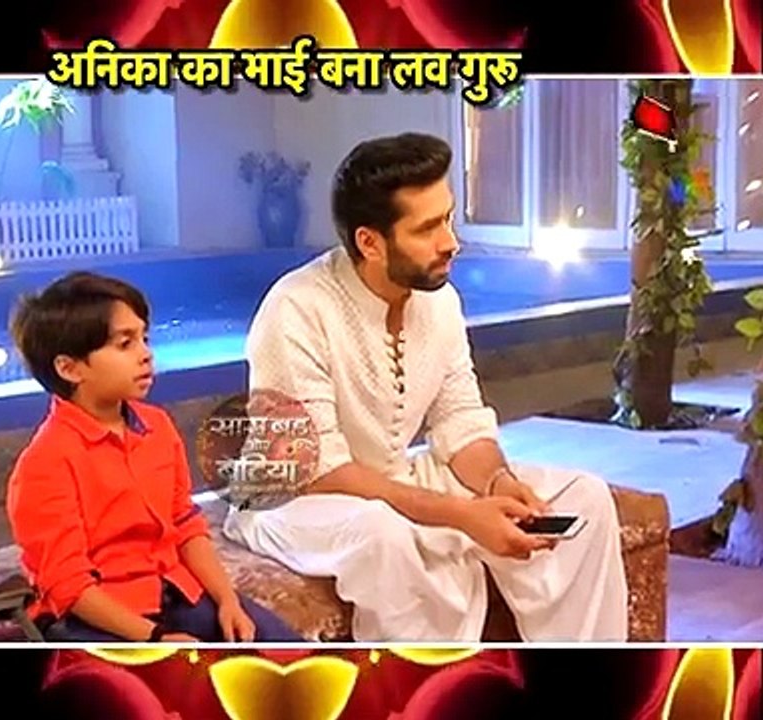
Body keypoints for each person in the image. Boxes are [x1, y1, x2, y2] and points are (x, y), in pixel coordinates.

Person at [223, 133, 629, 642]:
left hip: (394, 479)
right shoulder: (296, 308)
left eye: (448, 218)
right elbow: (320, 470)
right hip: (295, 498)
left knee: (583, 498)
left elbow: (461, 420)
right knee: (386, 536)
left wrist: (499, 484)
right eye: (428, 228)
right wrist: (461, 515)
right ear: (370, 243)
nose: (450, 242)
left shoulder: (440, 300)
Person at [6, 271, 302, 642]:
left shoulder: (157, 426)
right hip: (96, 618)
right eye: (125, 344)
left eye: (144, 338)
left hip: (175, 594)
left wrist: (227, 600)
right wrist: (155, 639)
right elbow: (68, 585)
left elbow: (185, 525)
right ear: (69, 368)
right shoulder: (44, 464)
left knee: (293, 655)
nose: (146, 354)